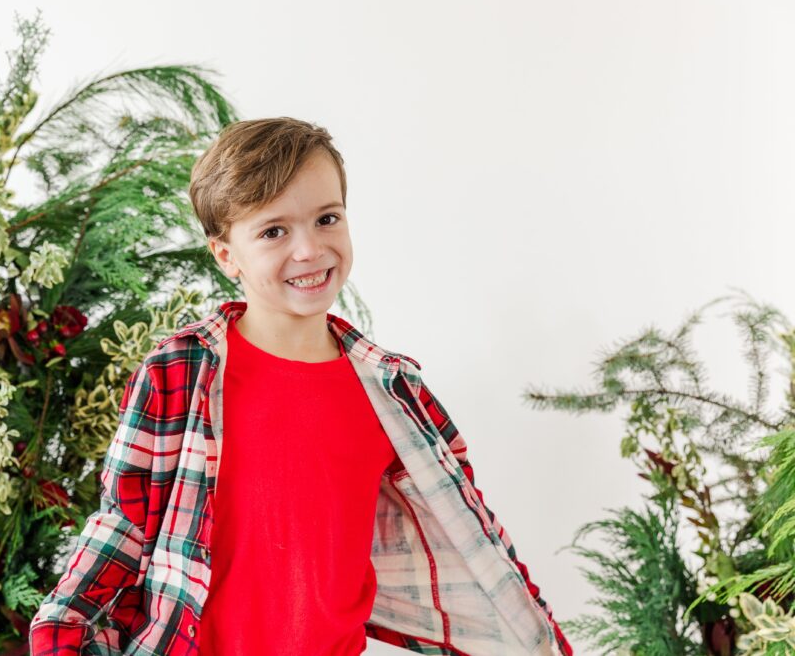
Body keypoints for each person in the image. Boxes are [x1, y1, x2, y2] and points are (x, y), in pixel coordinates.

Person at [29, 117, 573, 656]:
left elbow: (469, 531)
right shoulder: (179, 374)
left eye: (327, 218)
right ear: (226, 256)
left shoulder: (391, 391)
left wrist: (541, 640)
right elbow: (122, 523)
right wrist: (62, 633)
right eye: (273, 231)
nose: (310, 250)